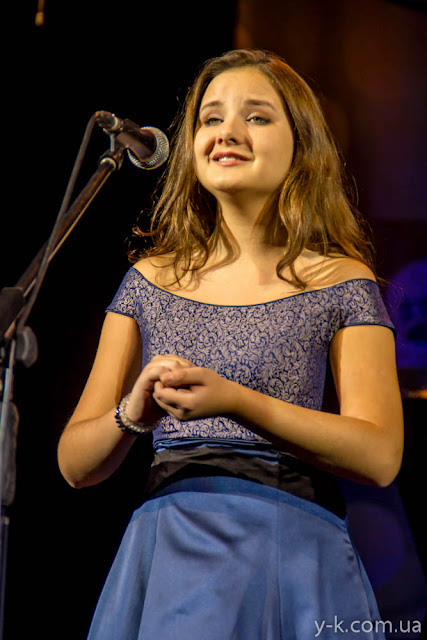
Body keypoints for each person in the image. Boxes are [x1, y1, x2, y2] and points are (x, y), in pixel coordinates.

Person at [57, 49, 403, 639]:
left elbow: (380, 456)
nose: (227, 132)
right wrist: (132, 413)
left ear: (302, 145)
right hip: (172, 554)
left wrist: (236, 401)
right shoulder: (150, 280)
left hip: (291, 547)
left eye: (257, 117)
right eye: (211, 118)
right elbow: (74, 465)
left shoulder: (341, 281)